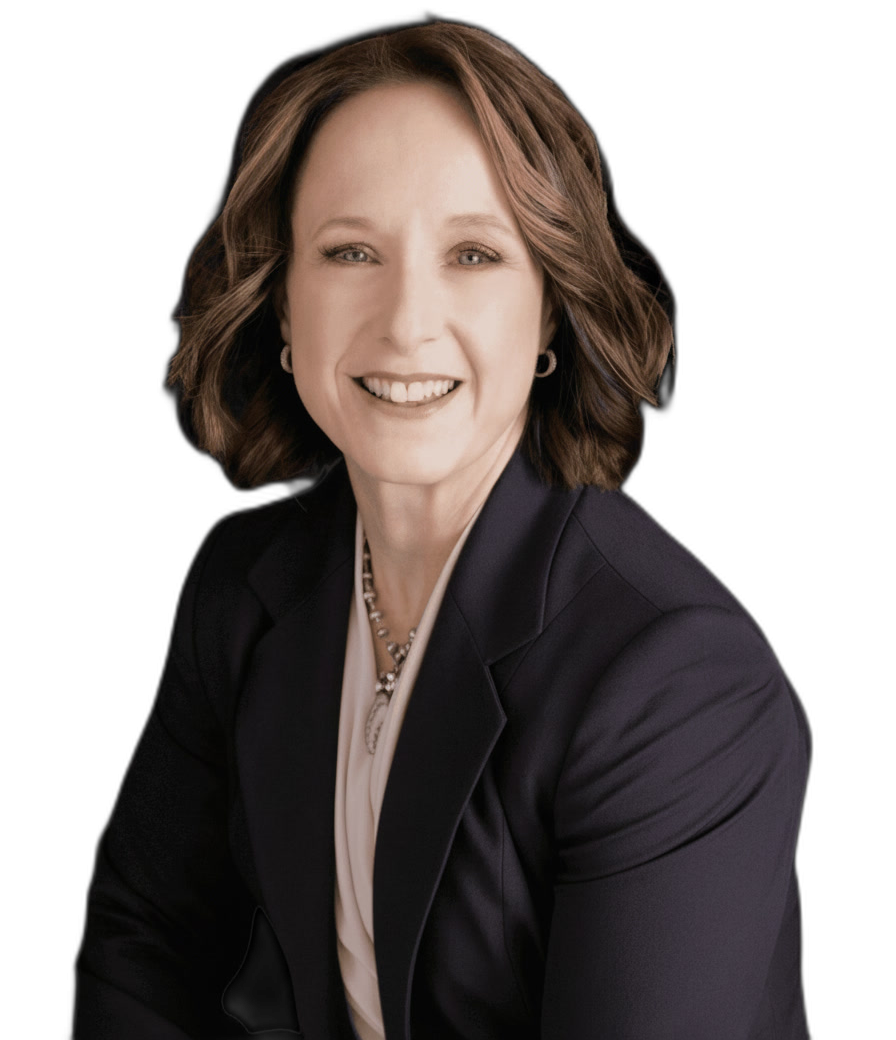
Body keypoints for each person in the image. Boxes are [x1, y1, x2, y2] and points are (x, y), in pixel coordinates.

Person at [74, 21, 810, 1040]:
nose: (406, 319)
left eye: (472, 253)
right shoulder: (242, 584)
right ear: (282, 307)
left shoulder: (674, 679)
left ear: (548, 310)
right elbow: (140, 941)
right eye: (349, 251)